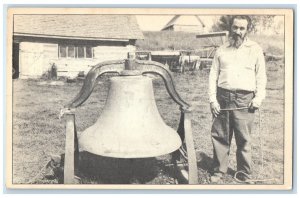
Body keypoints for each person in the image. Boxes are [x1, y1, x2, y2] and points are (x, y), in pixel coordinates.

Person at [208, 15, 267, 183]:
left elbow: (261, 77)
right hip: (223, 98)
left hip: (245, 100)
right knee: (220, 136)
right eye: (235, 27)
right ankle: (219, 170)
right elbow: (213, 76)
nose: (238, 32)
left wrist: (258, 99)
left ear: (247, 30)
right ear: (230, 28)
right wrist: (213, 99)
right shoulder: (221, 49)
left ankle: (244, 173)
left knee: (244, 139)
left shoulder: (255, 49)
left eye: (242, 28)